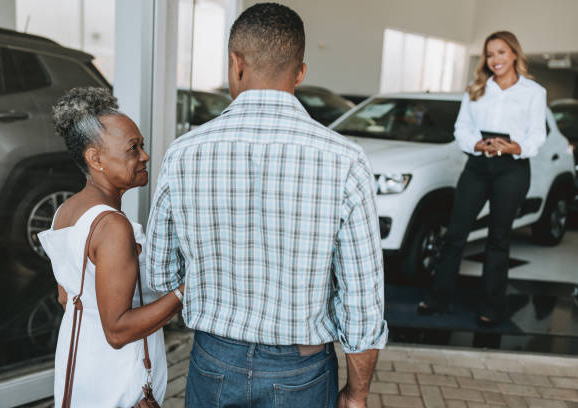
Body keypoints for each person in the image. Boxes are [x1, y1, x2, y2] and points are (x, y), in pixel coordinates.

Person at [146, 3, 387, 407]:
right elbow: (362, 297)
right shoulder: (344, 159)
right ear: (300, 73)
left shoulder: (185, 153)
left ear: (235, 64)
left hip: (213, 360)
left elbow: (159, 271)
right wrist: (356, 393)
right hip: (302, 368)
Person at [38, 87, 184, 407]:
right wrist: (186, 291)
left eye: (142, 145)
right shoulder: (112, 227)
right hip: (120, 381)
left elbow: (67, 296)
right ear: (96, 158)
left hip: (82, 365)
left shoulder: (67, 211)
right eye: (133, 148)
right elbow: (118, 331)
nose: (145, 155)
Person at [418, 31, 547, 327]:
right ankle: (437, 298)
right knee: (455, 234)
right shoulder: (476, 89)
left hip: (512, 168)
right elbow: (461, 129)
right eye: (490, 54)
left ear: (514, 54)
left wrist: (515, 147)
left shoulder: (533, 92)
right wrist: (478, 144)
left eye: (501, 52)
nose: (495, 60)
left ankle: (492, 307)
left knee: (498, 239)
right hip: (478, 165)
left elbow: (537, 135)